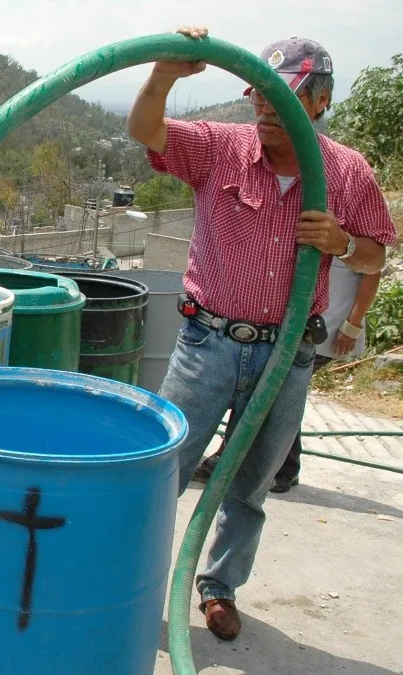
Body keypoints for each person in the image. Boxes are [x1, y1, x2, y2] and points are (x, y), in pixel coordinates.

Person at [127, 29, 397, 641]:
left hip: (287, 353)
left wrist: (343, 244)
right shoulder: (221, 149)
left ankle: (218, 588)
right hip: (208, 343)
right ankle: (131, 578)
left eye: (288, 97)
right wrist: (165, 73)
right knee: (163, 468)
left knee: (250, 484)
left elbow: (375, 256)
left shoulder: (347, 172)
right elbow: (147, 129)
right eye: (261, 96)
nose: (269, 109)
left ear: (321, 102)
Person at [193, 264, 383, 492]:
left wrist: (352, 325)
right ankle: (283, 467)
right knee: (280, 393)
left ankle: (236, 462)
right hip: (297, 325)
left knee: (269, 391)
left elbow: (372, 272)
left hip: (326, 329)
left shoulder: (352, 232)